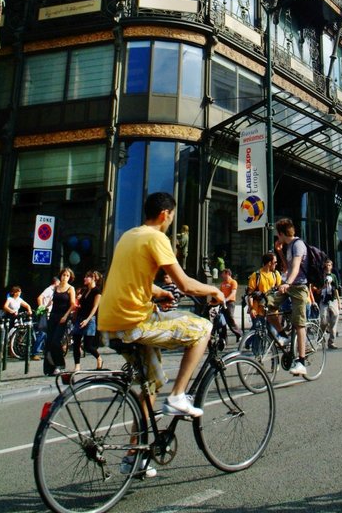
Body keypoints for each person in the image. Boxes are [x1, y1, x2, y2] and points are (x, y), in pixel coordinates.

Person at [98, 189, 225, 480]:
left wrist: (158, 294)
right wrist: (214, 290)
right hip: (135, 322)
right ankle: (179, 395)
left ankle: (136, 456)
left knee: (150, 385)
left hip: (112, 323)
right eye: (172, 216)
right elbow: (186, 284)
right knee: (202, 328)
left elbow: (131, 280)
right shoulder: (158, 238)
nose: (171, 222)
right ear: (165, 214)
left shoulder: (129, 235)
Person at [263, 218, 309, 376]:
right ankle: (282, 335)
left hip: (299, 288)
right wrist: (280, 252)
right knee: (267, 307)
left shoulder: (298, 245)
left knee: (299, 324)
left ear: (282, 233)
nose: (276, 235)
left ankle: (301, 362)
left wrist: (287, 283)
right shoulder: (289, 246)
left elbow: (295, 269)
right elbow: (287, 267)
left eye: (277, 233)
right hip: (288, 286)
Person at [44, 268, 77, 376]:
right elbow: (51, 301)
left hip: (62, 317)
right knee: (49, 342)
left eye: (67, 275)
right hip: (53, 315)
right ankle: (50, 367)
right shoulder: (56, 288)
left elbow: (73, 304)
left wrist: (66, 316)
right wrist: (44, 308)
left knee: (55, 341)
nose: (65, 277)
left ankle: (60, 364)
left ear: (70, 277)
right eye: (63, 275)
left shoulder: (70, 289)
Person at [72, 271, 104, 371]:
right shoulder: (84, 290)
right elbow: (80, 304)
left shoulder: (97, 292)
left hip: (89, 320)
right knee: (76, 343)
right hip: (79, 318)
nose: (85, 278)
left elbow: (95, 308)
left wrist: (87, 320)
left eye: (87, 277)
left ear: (94, 278)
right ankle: (77, 365)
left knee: (88, 346)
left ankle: (99, 358)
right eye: (85, 276)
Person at [32, 276, 60, 359]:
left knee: (48, 333)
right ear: (55, 282)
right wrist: (41, 308)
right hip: (45, 313)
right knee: (43, 333)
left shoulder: (55, 291)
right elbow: (39, 297)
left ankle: (46, 351)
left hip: (50, 314)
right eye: (59, 283)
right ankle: (35, 352)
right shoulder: (49, 289)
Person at [317, 258, 341, 349]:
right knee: (323, 320)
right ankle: (320, 337)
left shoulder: (334, 276)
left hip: (332, 299)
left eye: (330, 265)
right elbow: (317, 291)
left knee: (335, 316)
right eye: (326, 265)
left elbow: (336, 289)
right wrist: (323, 286)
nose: (328, 267)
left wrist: (339, 301)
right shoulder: (321, 276)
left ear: (332, 266)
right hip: (324, 300)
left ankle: (331, 341)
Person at [218, 268, 242, 341]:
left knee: (230, 319)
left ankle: (239, 333)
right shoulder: (222, 283)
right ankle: (223, 339)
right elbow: (220, 293)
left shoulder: (233, 282)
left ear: (227, 273)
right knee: (221, 320)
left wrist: (226, 299)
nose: (221, 275)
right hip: (222, 303)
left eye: (223, 273)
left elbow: (233, 293)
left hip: (230, 303)